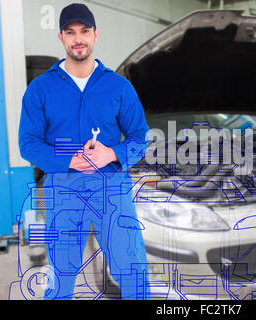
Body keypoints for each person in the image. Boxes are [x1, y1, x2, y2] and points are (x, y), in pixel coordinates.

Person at [19, 3, 150, 299]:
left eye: (84, 31)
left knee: (132, 268)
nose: (78, 38)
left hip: (111, 188)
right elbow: (28, 144)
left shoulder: (119, 86)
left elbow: (141, 137)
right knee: (61, 272)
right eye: (71, 32)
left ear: (95, 34)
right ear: (61, 38)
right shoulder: (40, 89)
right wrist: (69, 161)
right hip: (63, 188)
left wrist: (112, 153)